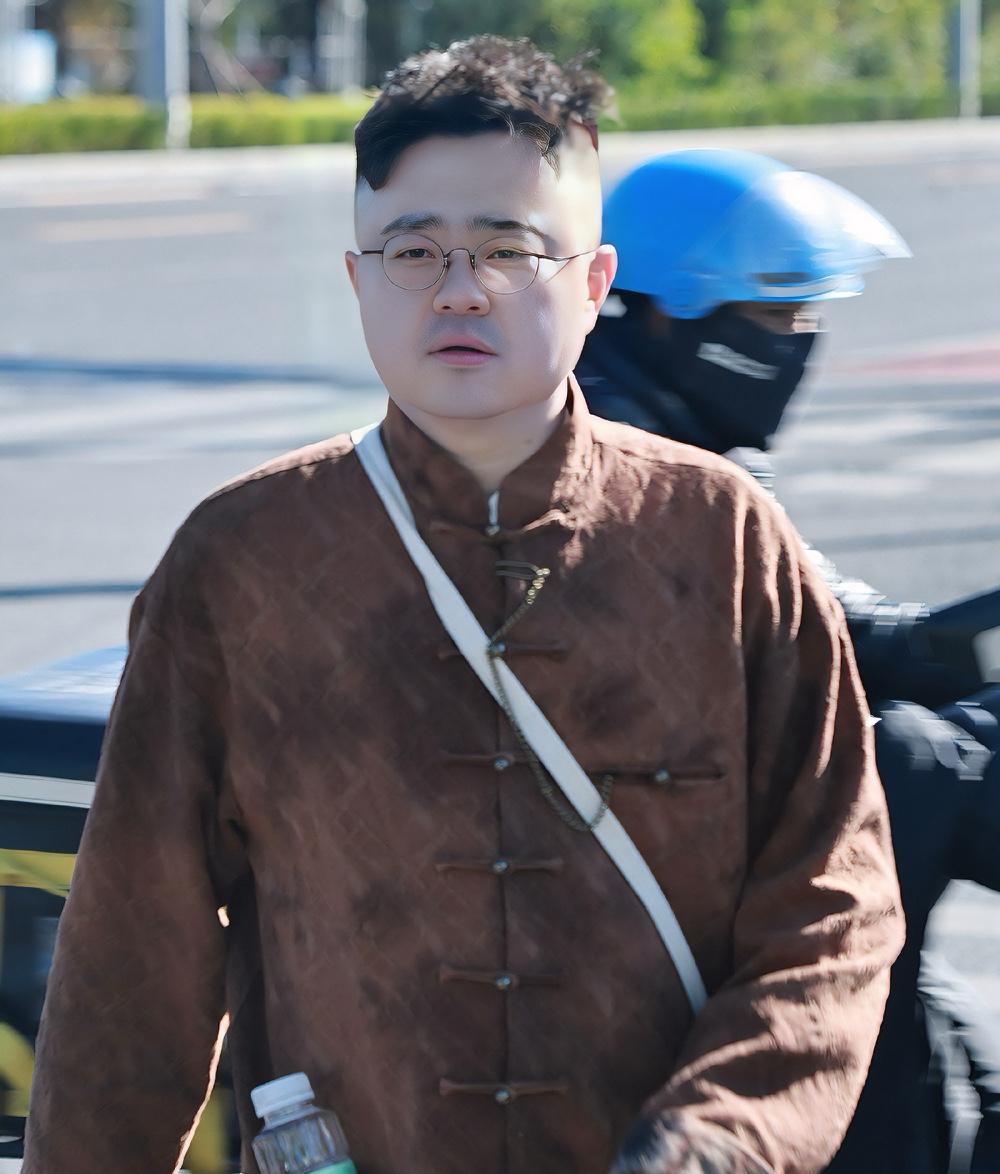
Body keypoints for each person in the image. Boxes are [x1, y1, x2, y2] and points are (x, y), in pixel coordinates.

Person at [23, 40, 903, 1174]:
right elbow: (133, 956)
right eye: (412, 251)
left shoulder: (721, 538)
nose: (456, 288)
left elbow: (833, 904)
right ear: (357, 281)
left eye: (508, 249)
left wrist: (717, 1141)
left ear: (595, 283)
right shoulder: (240, 562)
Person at [576, 147, 1000, 1173]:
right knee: (913, 762)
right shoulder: (620, 470)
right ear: (663, 314)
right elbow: (791, 648)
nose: (799, 343)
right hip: (672, 903)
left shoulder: (661, 438)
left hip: (711, 880)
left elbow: (835, 620)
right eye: (774, 316)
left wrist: (954, 646)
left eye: (807, 316)